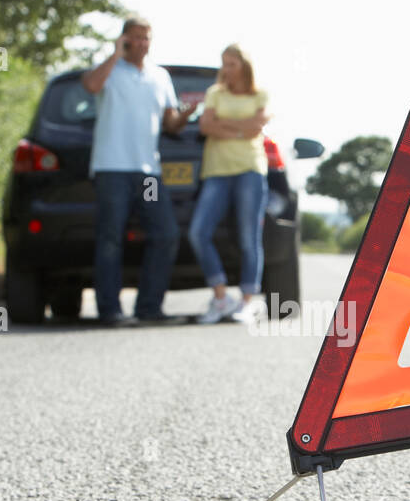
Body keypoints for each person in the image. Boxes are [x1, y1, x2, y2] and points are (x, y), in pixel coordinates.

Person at [81, 18, 194, 324]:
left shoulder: (160, 76)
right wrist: (116, 54)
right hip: (111, 168)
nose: (142, 44)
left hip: (148, 173)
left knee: (165, 233)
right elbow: (90, 85)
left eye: (146, 38)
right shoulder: (109, 71)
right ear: (124, 39)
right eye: (135, 38)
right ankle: (110, 311)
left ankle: (149, 307)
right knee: (110, 239)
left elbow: (170, 123)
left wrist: (187, 115)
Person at [188, 44, 271, 325]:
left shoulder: (260, 94)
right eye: (224, 63)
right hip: (216, 171)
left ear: (244, 66)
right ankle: (221, 297)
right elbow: (206, 127)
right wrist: (240, 128)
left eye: (231, 63)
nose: (226, 69)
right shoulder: (215, 93)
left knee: (249, 237)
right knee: (199, 232)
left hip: (250, 169)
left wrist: (225, 126)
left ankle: (247, 301)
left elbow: (257, 127)